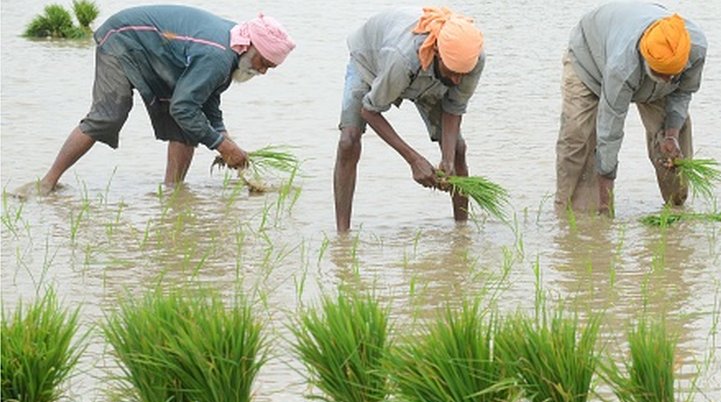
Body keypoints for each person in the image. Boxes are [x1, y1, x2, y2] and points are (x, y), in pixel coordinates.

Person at [10, 5, 295, 198]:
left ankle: (173, 194)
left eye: (271, 67)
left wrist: (225, 140)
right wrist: (222, 145)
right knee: (108, 115)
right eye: (264, 62)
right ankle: (47, 183)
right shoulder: (218, 56)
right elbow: (184, 106)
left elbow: (207, 103)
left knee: (189, 124)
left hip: (156, 52)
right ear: (252, 47)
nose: (263, 71)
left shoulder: (232, 51)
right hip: (122, 40)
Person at [333, 6, 485, 233]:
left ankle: (461, 232)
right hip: (371, 61)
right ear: (436, 52)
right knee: (349, 140)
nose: (457, 79)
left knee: (458, 149)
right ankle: (342, 236)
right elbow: (370, 110)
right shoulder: (401, 58)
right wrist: (413, 159)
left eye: (462, 74)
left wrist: (448, 160)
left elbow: (453, 109)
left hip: (431, 79)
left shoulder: (471, 61)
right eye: (453, 70)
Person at [555, 2, 707, 215]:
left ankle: (676, 210)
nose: (668, 81)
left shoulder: (695, 47)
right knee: (578, 135)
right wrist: (607, 197)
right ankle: (577, 217)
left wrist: (671, 134)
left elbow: (682, 93)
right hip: (589, 60)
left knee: (673, 134)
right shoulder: (622, 67)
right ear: (646, 60)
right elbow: (610, 131)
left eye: (673, 76)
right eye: (662, 75)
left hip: (634, 51)